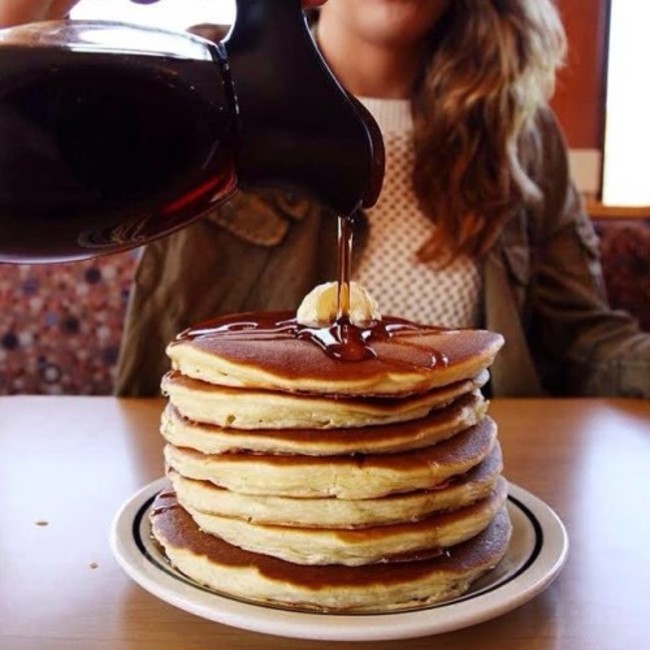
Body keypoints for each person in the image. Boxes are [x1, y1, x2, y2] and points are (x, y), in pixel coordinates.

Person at [3, 0, 650, 398]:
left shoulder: (524, 135)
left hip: (452, 483)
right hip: (231, 480)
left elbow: (583, 339)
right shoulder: (202, 96)